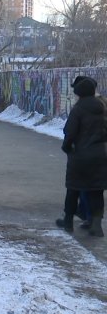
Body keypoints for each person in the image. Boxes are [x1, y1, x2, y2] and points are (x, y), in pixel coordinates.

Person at [56, 76, 107, 236]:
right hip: (100, 155)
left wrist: (66, 148)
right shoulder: (103, 108)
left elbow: (69, 132)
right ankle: (97, 225)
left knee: (73, 189)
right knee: (96, 190)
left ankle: (68, 222)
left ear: (79, 93)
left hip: (79, 155)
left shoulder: (78, 109)